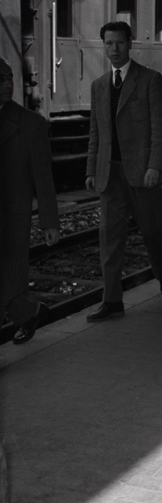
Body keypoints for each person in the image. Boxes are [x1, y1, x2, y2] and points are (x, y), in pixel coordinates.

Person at [85, 21, 162, 322]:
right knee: (110, 238)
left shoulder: (149, 80)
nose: (114, 49)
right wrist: (91, 169)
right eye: (108, 43)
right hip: (110, 174)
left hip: (141, 174)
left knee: (151, 232)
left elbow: (160, 129)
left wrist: (155, 166)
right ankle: (112, 301)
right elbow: (96, 133)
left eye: (120, 43)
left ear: (130, 43)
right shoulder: (99, 86)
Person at [0, 57, 60, 344]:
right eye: (0, 79)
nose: (7, 84)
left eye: (9, 78)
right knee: (8, 289)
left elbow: (43, 179)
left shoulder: (31, 124)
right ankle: (30, 312)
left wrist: (50, 222)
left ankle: (28, 312)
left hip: (11, 220)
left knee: (7, 283)